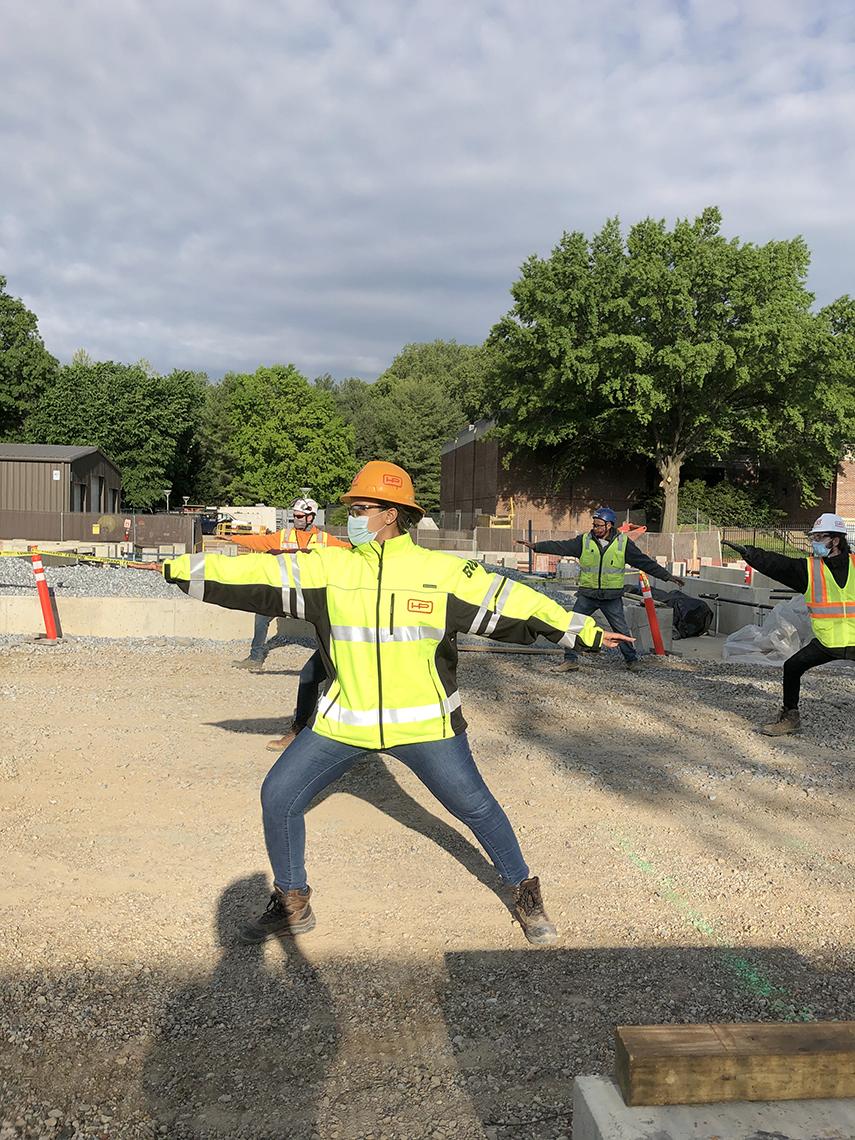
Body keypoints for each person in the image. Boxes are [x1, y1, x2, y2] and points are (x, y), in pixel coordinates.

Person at [163, 461, 634, 946]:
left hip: (426, 727)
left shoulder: (441, 573)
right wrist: (178, 569)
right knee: (279, 796)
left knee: (477, 807)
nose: (351, 517)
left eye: (360, 509)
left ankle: (524, 892)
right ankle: (292, 902)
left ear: (390, 514)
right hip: (345, 722)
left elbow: (515, 600)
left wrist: (585, 631)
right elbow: (251, 573)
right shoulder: (328, 569)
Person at [723, 513, 855, 736]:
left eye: (820, 538)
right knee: (792, 667)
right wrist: (750, 554)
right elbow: (779, 565)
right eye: (814, 537)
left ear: (835, 540)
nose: (814, 543)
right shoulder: (810, 570)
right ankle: (791, 718)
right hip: (828, 643)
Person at [516, 507, 684, 673]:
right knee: (573, 626)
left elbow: (644, 562)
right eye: (594, 525)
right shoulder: (584, 541)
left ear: (609, 525)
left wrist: (667, 576)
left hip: (611, 597)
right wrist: (536, 546)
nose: (595, 528)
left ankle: (631, 660)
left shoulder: (623, 543)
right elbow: (561, 546)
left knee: (621, 630)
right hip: (587, 595)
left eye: (599, 525)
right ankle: (570, 660)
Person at [231, 497, 348, 674]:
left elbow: (347, 549)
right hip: (285, 588)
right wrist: (232, 538)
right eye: (295, 516)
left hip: (311, 591)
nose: (296, 520)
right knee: (262, 615)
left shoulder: (324, 539)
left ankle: (334, 661)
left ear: (311, 517)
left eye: (300, 516)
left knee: (328, 624)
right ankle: (255, 657)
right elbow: (260, 542)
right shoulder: (284, 536)